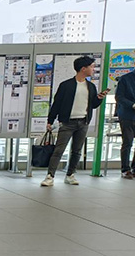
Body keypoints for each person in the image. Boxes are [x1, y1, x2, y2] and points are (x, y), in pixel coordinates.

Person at [41, 56, 108, 187]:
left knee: (77, 151)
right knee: (59, 150)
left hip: (83, 122)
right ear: (83, 69)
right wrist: (50, 120)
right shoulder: (66, 85)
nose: (93, 69)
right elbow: (57, 104)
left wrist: (99, 98)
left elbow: (93, 105)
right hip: (67, 122)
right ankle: (50, 176)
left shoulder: (90, 86)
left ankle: (70, 174)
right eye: (91, 67)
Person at [114, 69, 135, 179]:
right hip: (127, 115)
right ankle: (125, 169)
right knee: (127, 142)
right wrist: (132, 105)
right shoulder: (125, 79)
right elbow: (119, 97)